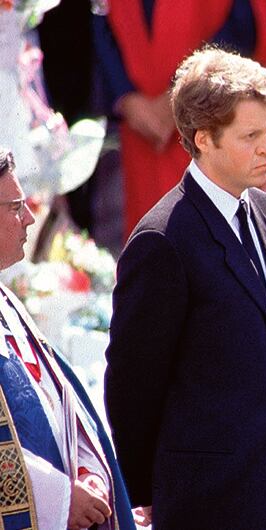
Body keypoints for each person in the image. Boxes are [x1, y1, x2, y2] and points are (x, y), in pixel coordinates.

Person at [104, 48, 266, 528]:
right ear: (204, 138)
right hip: (211, 500)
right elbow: (132, 384)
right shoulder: (163, 240)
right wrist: (149, 489)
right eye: (250, 136)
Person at [0, 148, 136, 530]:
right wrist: (59, 499)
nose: (29, 218)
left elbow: (60, 402)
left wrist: (89, 471)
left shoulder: (7, 302)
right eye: (15, 207)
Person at [92, 0, 266, 236]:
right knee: (153, 237)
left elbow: (244, 21)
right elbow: (100, 22)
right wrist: (125, 96)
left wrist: (189, 93)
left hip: (215, 113)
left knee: (224, 232)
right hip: (140, 126)